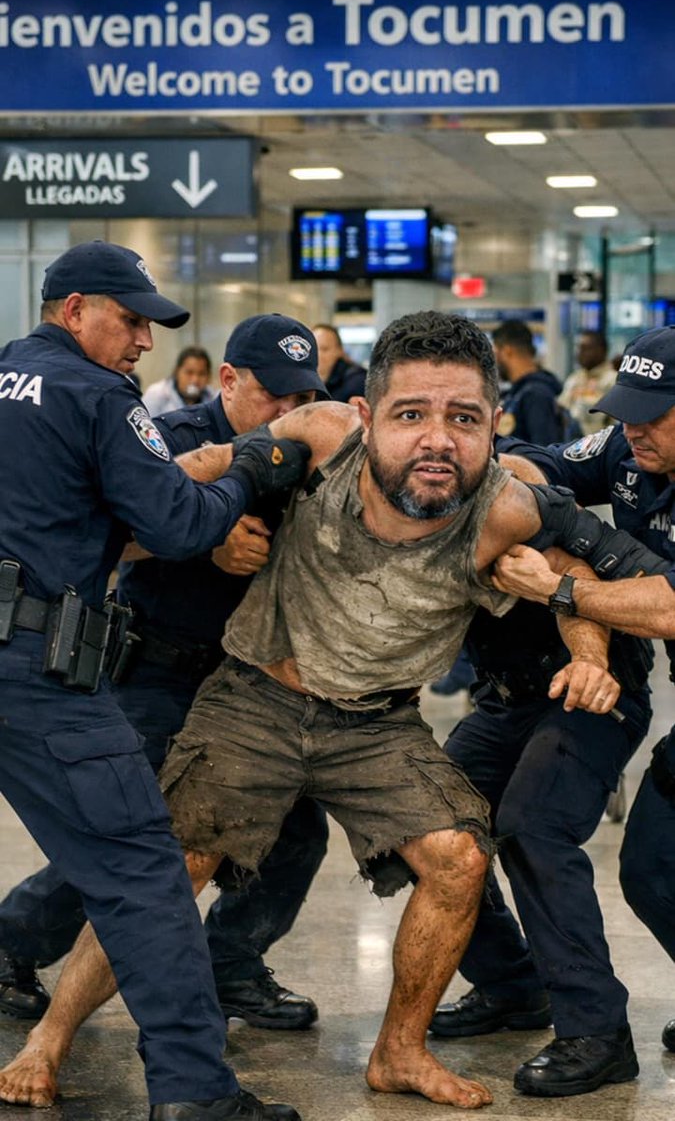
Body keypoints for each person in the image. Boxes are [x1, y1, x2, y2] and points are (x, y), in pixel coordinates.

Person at [4, 310, 632, 1113]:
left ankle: (397, 1052)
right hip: (255, 700)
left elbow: (567, 560)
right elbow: (186, 475)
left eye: (461, 417)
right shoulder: (321, 439)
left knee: (457, 858)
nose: (435, 438)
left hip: (378, 723)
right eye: (411, 414)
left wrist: (588, 655)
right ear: (369, 414)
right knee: (168, 867)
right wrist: (187, 535)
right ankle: (48, 1036)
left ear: (491, 424)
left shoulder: (503, 498)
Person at [0, 239, 309, 1121]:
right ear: (74, 311)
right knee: (145, 874)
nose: (142, 341)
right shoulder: (101, 397)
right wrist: (256, 460)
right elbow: (177, 524)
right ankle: (194, 1091)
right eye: (129, 320)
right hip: (40, 671)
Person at [474, 326, 675, 1087]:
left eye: (654, 414)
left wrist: (559, 584)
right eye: (627, 410)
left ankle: (594, 1034)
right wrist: (520, 501)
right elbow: (536, 466)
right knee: (655, 868)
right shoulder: (627, 447)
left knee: (647, 859)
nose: (633, 428)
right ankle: (514, 988)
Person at [430, 569, 652, 1098]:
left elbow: (581, 576)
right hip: (506, 701)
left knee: (534, 828)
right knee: (429, 826)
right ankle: (512, 986)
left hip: (593, 694)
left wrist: (592, 658)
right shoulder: (417, 515)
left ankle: (598, 1029)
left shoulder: (535, 504)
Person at [493, 320, 567, 445]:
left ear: (507, 351)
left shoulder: (536, 394)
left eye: (495, 353)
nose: (494, 361)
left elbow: (544, 452)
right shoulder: (517, 392)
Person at [558, 330, 616, 436]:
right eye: (579, 348)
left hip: (601, 443)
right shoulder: (575, 378)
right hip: (571, 444)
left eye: (586, 349)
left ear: (602, 350)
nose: (580, 353)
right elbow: (562, 408)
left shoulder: (613, 379)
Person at [143, 344, 215, 413]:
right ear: (176, 372)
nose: (195, 380)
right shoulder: (155, 395)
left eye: (201, 374)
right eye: (189, 373)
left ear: (208, 376)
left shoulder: (214, 399)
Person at [313, 324, 367, 402]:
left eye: (324, 349)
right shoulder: (305, 382)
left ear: (339, 351)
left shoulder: (357, 382)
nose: (318, 354)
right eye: (314, 348)